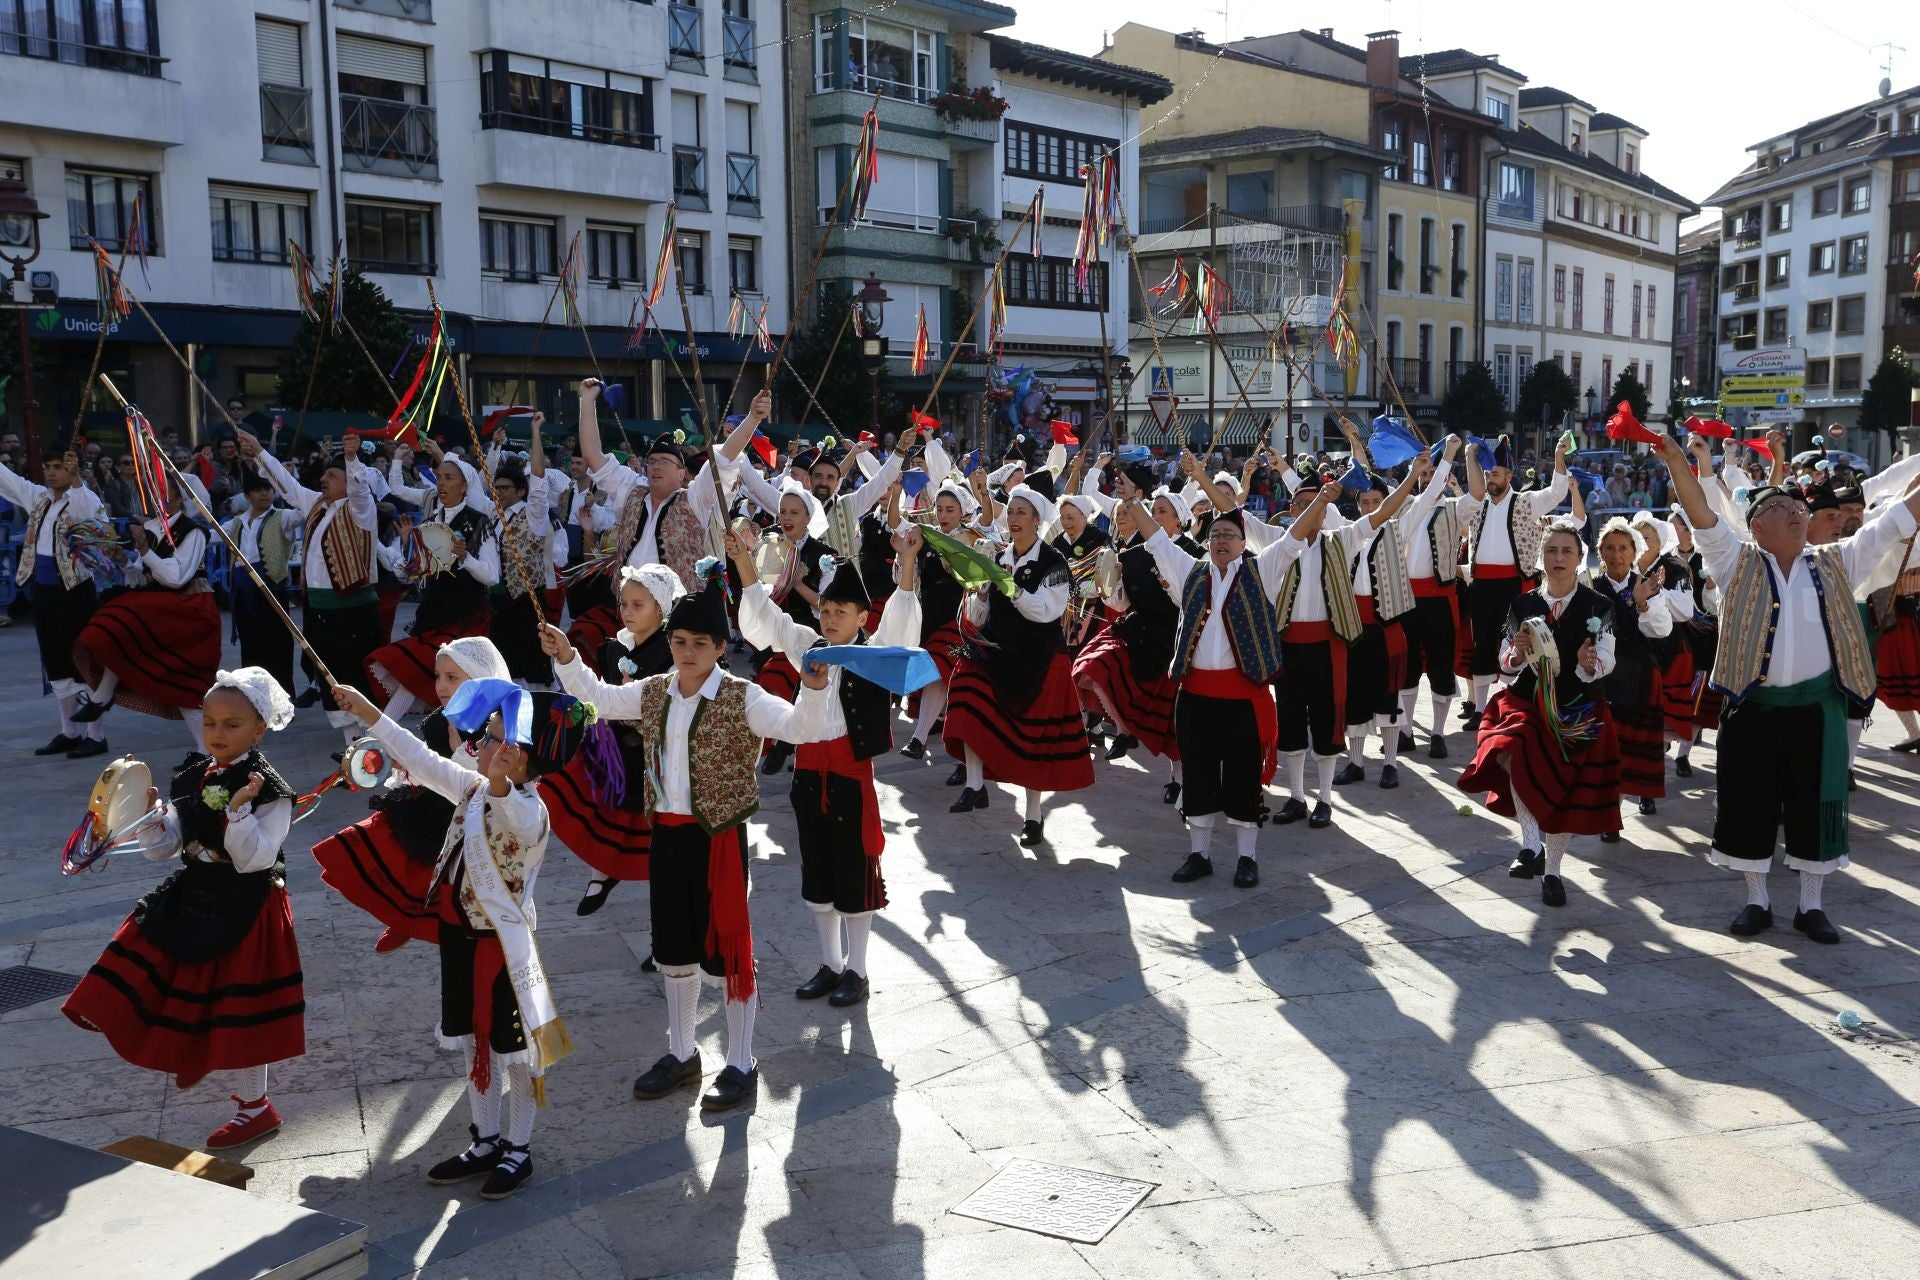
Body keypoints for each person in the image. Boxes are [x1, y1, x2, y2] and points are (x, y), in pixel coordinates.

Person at [545, 572, 834, 1111]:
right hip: (669, 838)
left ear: (722, 648)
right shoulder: (655, 691)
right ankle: (682, 1053)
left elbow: (802, 730)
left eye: (700, 644)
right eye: (680, 642)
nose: (687, 652)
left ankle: (742, 1062)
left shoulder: (743, 696)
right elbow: (599, 698)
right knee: (673, 952)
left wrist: (813, 690)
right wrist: (566, 657)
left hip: (719, 838)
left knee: (726, 955)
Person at [331, 673, 602, 1201]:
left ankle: (518, 1149)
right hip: (461, 937)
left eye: (497, 738)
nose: (481, 745)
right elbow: (421, 759)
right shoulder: (473, 788)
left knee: (515, 1049)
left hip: (502, 949)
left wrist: (499, 782)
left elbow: (516, 820)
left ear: (520, 757)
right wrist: (369, 712)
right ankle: (485, 1140)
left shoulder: (531, 809)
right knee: (473, 1042)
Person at [1661, 432, 1920, 943]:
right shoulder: (1735, 563)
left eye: (1800, 506)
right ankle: (1756, 901)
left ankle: (1810, 907)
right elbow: (1702, 512)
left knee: (1816, 805)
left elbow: (1896, 520)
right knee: (1748, 805)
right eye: (1783, 506)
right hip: (1753, 710)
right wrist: (1676, 459)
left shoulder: (1838, 561)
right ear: (1758, 526)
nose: (1799, 511)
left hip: (1816, 710)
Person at [62, 669, 306, 1148]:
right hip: (196, 892)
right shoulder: (195, 774)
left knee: (240, 1007)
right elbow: (166, 848)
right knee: (177, 979)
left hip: (247, 903)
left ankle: (255, 1107)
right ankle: (191, 1051)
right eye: (211, 722)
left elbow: (253, 858)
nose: (217, 733)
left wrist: (236, 812)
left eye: (232, 725)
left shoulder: (270, 790)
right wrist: (153, 818)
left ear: (259, 729)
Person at [731, 528, 923, 1008]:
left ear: (862, 616)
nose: (832, 618)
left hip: (849, 776)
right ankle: (830, 963)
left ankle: (857, 969)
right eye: (827, 610)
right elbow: (771, 622)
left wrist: (908, 564)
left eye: (843, 612)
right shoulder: (808, 645)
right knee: (816, 868)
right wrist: (744, 565)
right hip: (808, 774)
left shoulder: (872, 654)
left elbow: (901, 623)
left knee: (854, 869)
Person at [1123, 493, 1294, 887]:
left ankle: (1246, 859)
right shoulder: (1191, 572)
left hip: (1242, 698)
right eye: (1215, 533)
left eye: (1230, 534)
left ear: (1243, 543)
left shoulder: (1261, 572)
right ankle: (1199, 854)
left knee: (1242, 778)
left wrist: (1320, 500)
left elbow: (1291, 541)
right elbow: (1157, 540)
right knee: (1196, 775)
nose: (1221, 539)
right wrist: (1133, 502)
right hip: (1196, 696)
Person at [309, 636, 512, 954]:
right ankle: (401, 916)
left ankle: (412, 917)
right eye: (438, 677)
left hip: (473, 816)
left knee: (442, 880)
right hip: (437, 798)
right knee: (381, 834)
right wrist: (402, 765)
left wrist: (460, 752)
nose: (441, 686)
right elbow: (424, 762)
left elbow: (482, 781)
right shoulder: (436, 723)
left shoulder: (496, 728)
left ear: (482, 681)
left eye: (452, 678)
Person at [1457, 519, 1624, 907]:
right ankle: (1530, 846)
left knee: (1566, 789)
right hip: (1529, 696)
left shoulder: (1600, 606)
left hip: (1578, 703)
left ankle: (1552, 871)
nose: (1558, 557)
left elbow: (1607, 659)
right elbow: (1507, 659)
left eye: (1567, 551)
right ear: (1541, 557)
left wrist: (1589, 662)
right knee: (1510, 744)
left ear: (1581, 559)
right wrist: (1514, 655)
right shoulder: (1523, 603)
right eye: (1552, 550)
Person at [941, 483, 1095, 845]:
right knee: (964, 689)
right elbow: (978, 618)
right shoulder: (996, 559)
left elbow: (1047, 611)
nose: (1013, 518)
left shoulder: (1054, 564)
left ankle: (1033, 817)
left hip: (1040, 658)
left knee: (1034, 740)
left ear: (1038, 520)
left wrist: (1009, 585)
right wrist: (980, 593)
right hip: (997, 651)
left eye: (1021, 512)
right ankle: (975, 785)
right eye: (1010, 511)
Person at [542, 564, 682, 917]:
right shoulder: (614, 647)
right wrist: (564, 655)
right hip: (615, 751)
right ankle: (600, 872)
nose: (628, 612)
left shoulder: (674, 653)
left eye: (638, 605)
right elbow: (597, 695)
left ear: (661, 608)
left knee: (664, 854)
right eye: (624, 604)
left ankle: (665, 936)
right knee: (583, 797)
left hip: (661, 761)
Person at [245, 430, 383, 750]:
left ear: (348, 481)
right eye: (324, 474)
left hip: (353, 610)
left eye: (332, 475)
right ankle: (353, 746)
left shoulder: (361, 509)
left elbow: (360, 490)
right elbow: (288, 486)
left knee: (357, 676)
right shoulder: (318, 504)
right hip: (320, 609)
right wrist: (259, 452)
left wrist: (351, 460)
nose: (324, 479)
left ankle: (372, 745)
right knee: (331, 676)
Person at [71, 474, 222, 749]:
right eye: (154, 493)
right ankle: (103, 695)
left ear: (180, 499)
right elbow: (139, 576)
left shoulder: (194, 531)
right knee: (116, 630)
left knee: (186, 685)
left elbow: (176, 578)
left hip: (190, 610)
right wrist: (121, 558)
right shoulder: (152, 528)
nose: (156, 500)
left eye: (164, 494)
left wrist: (145, 552)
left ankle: (207, 752)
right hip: (163, 610)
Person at [369, 442, 499, 719]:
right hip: (433, 613)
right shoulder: (429, 522)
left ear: (464, 487)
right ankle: (379, 738)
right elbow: (410, 574)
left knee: (449, 683)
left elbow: (492, 575)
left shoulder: (478, 522)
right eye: (439, 477)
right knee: (415, 678)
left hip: (465, 614)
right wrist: (405, 546)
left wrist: (465, 559)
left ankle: (383, 738)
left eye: (449, 478)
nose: (441, 483)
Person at [2, 448, 108, 759]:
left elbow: (89, 514)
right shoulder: (39, 497)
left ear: (72, 468)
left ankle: (96, 735)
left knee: (84, 663)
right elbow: (7, 480)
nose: (51, 472)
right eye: (48, 466)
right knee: (56, 663)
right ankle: (69, 732)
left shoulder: (82, 498)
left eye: (58, 467)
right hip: (45, 591)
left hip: (76, 592)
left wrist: (77, 480)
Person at [1461, 435, 1572, 731]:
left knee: (1514, 644)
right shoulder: (1475, 504)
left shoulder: (1526, 501)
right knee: (1482, 644)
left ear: (1510, 476)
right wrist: (1469, 455)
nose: (1489, 479)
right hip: (1482, 585)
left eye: (1495, 473)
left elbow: (1557, 492)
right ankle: (1481, 709)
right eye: (1487, 474)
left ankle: (1508, 704)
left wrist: (1560, 457)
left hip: (1514, 584)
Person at [1590, 518, 1679, 832]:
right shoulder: (1591, 586)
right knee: (1607, 746)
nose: (1616, 554)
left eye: (1623, 548)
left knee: (1641, 741)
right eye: (1610, 548)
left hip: (1640, 671)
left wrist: (1642, 602)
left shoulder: (1647, 584)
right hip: (1605, 676)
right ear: (1601, 552)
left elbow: (1662, 629)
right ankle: (1610, 816)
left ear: (1633, 551)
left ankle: (1644, 790)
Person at [1396, 442, 1465, 758]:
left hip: (1439, 598)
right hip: (1406, 598)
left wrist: (1451, 454)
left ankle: (1437, 733)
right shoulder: (1403, 507)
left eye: (1431, 474)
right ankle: (1406, 730)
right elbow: (1368, 479)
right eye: (1423, 474)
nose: (1426, 479)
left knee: (1440, 667)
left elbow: (1475, 498)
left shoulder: (1454, 508)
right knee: (1406, 667)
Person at [226, 473, 300, 697]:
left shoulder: (283, 516)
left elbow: (305, 511)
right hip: (243, 591)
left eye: (268, 488)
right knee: (250, 646)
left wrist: (288, 481)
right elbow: (207, 537)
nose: (265, 493)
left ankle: (283, 699)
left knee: (278, 646)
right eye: (259, 490)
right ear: (248, 496)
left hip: (272, 589)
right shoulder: (237, 522)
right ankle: (254, 699)